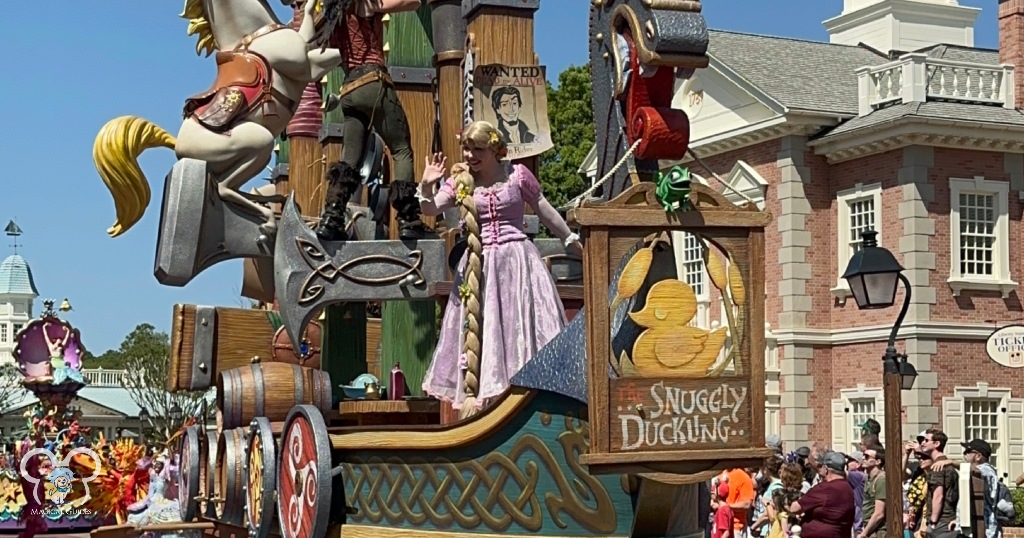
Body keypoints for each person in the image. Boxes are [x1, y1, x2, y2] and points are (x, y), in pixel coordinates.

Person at [417, 121, 581, 415]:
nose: (469, 155)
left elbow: (543, 208)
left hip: (519, 264)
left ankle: (531, 403)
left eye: (477, 148)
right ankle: (489, 404)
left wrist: (568, 238)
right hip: (479, 268)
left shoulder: (517, 175)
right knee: (485, 328)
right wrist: (428, 184)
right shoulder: (461, 181)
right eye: (466, 148)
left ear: (494, 149)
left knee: (523, 329)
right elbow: (430, 208)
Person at [317, 0, 422, 241]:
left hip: (349, 90)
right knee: (401, 149)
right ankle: (408, 219)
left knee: (349, 160)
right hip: (373, 82)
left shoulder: (333, 15)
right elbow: (413, 2)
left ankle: (332, 218)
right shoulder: (362, 4)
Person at [788, 450, 855, 537]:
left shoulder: (825, 488)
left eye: (821, 467)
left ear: (826, 469)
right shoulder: (848, 488)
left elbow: (795, 508)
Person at [919, 429, 959, 538]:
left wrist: (932, 523)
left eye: (926, 440)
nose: (922, 443)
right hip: (947, 520)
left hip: (941, 522)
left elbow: (938, 496)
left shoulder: (938, 467)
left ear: (937, 444)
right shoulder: (946, 465)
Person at [857, 447, 887, 538]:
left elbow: (879, 514)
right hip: (871, 529)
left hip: (879, 531)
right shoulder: (869, 478)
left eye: (867, 456)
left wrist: (864, 533)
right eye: (863, 456)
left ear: (878, 461)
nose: (863, 459)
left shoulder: (881, 480)